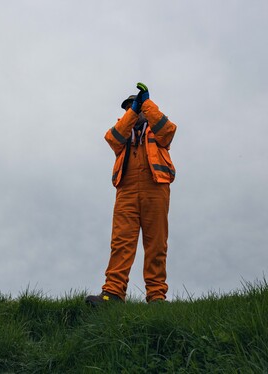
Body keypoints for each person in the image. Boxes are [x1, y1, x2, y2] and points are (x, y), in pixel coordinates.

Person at [86, 83, 177, 305]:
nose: (131, 111)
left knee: (156, 243)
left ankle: (156, 296)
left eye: (134, 106)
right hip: (126, 191)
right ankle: (113, 293)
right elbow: (112, 139)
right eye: (128, 108)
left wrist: (147, 104)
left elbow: (169, 131)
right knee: (121, 242)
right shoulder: (121, 132)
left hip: (155, 188)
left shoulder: (157, 128)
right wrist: (134, 111)